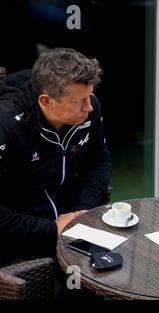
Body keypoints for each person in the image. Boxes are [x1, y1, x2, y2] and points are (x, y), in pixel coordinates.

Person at [0, 48, 111, 266]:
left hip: (72, 219)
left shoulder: (90, 108)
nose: (88, 107)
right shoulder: (7, 127)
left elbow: (98, 162)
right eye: (78, 101)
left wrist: (83, 209)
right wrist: (52, 229)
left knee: (116, 264)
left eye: (90, 96)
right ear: (47, 101)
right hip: (19, 233)